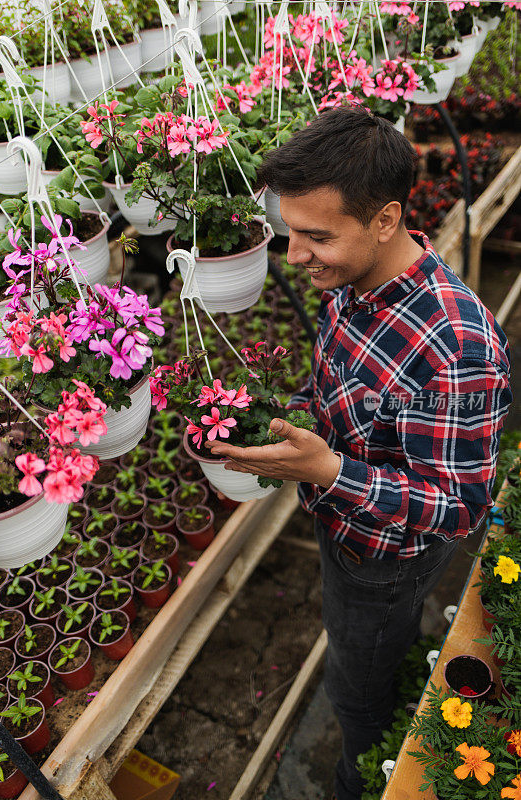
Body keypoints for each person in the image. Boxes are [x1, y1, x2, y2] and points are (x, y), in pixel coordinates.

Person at [206, 107, 513, 800]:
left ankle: (360, 779)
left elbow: (457, 508)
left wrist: (328, 470)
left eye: (316, 237)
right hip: (342, 519)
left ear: (385, 220)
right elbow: (343, 386)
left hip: (382, 557)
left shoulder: (456, 348)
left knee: (359, 688)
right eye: (291, 232)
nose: (294, 256)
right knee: (356, 654)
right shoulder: (356, 282)